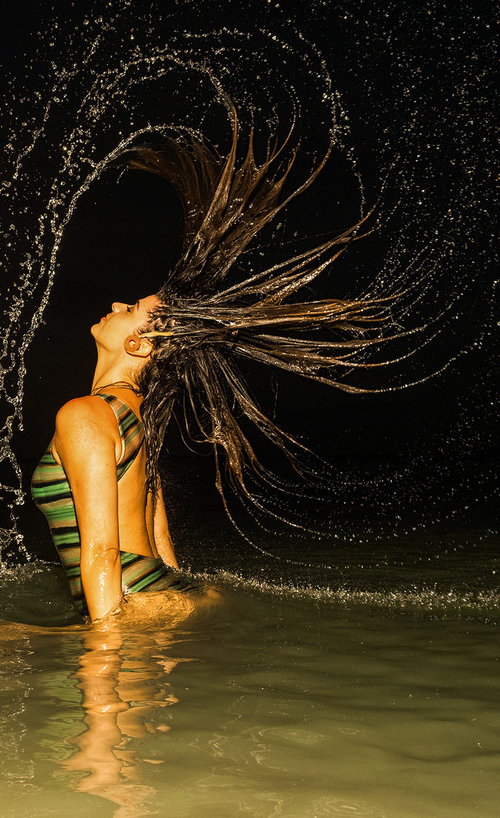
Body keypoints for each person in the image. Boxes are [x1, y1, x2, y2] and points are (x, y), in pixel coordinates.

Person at [31, 112, 395, 623]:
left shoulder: (86, 415)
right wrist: (180, 605)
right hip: (161, 591)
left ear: (139, 344)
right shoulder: (142, 416)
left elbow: (102, 555)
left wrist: (105, 661)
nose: (115, 306)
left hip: (132, 599)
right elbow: (159, 539)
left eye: (130, 310)